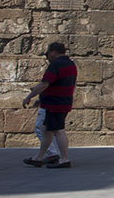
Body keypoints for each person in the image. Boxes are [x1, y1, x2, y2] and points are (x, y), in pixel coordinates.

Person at [21, 41, 76, 169]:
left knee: (58, 131)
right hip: (62, 101)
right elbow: (65, 84)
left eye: (48, 53)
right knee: (47, 130)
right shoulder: (70, 64)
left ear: (53, 52)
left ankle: (64, 159)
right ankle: (39, 157)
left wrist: (29, 96)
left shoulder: (56, 65)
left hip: (55, 103)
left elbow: (44, 84)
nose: (48, 56)